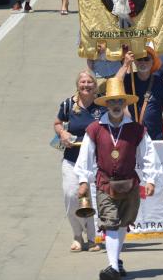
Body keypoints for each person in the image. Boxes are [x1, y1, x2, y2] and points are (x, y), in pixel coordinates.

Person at [75, 78, 162, 280]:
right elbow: (85, 156)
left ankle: (116, 262)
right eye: (112, 102)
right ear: (106, 104)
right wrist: (82, 181)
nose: (115, 105)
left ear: (125, 104)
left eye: (119, 102)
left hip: (130, 184)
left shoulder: (137, 129)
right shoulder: (95, 129)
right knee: (110, 222)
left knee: (123, 223)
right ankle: (113, 266)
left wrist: (150, 180)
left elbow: (149, 154)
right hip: (105, 183)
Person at [55, 71, 103, 252]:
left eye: (90, 82)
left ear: (95, 85)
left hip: (95, 161)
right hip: (71, 159)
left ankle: (92, 238)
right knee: (71, 195)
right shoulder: (68, 104)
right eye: (83, 82)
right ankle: (77, 234)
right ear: (78, 85)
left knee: (91, 199)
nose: (86, 85)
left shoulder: (102, 105)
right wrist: (62, 133)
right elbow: (58, 122)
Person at [116, 48, 163, 141]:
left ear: (152, 61)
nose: (143, 62)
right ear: (135, 62)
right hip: (132, 136)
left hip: (155, 136)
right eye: (139, 59)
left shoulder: (159, 81)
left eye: (146, 59)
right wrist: (126, 64)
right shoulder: (129, 80)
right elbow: (115, 83)